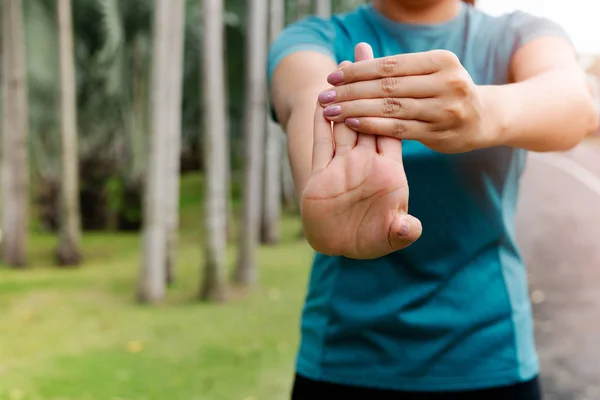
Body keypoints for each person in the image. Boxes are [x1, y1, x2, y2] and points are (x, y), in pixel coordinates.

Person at [267, 0, 599, 399]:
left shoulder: (516, 34)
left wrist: (481, 113)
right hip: (344, 360)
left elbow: (570, 99)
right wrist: (320, 179)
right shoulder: (314, 37)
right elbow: (308, 96)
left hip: (489, 357)